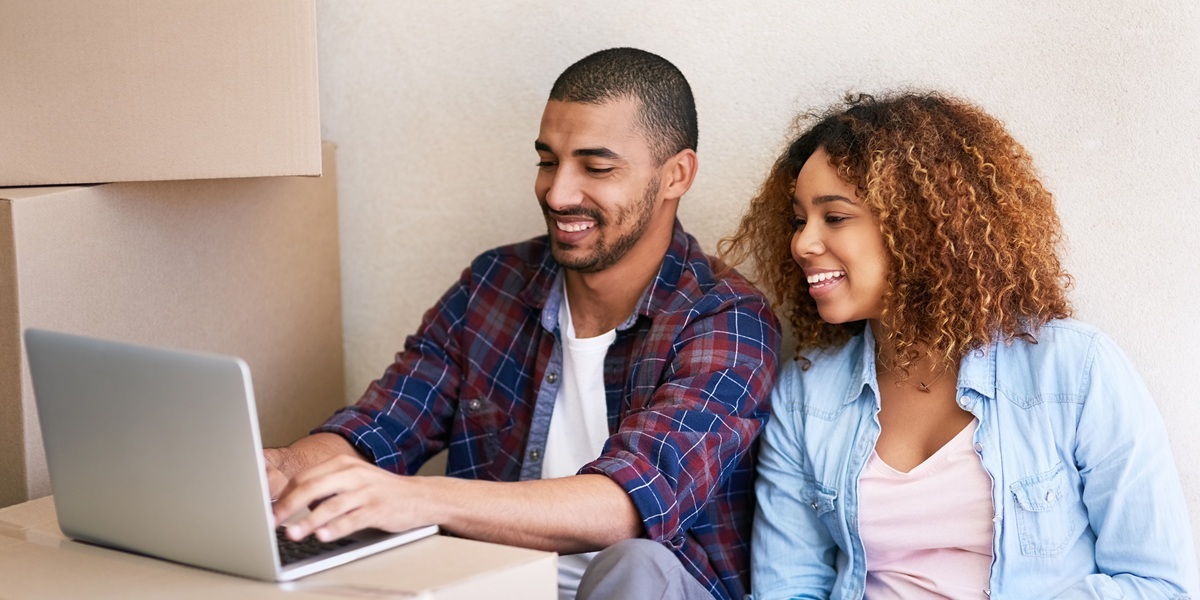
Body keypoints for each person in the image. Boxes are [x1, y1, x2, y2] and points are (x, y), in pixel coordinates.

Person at [266, 48, 780, 600]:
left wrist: (414, 499)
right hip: (496, 587)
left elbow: (627, 503)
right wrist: (285, 466)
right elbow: (381, 425)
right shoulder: (495, 283)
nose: (558, 193)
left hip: (643, 589)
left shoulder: (728, 320)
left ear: (676, 175)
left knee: (636, 565)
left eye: (596, 167)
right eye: (547, 162)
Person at [720, 92, 1198, 598]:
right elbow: (788, 585)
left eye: (834, 218)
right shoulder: (806, 391)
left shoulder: (1074, 371)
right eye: (799, 220)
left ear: (919, 226)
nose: (802, 243)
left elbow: (1158, 585)